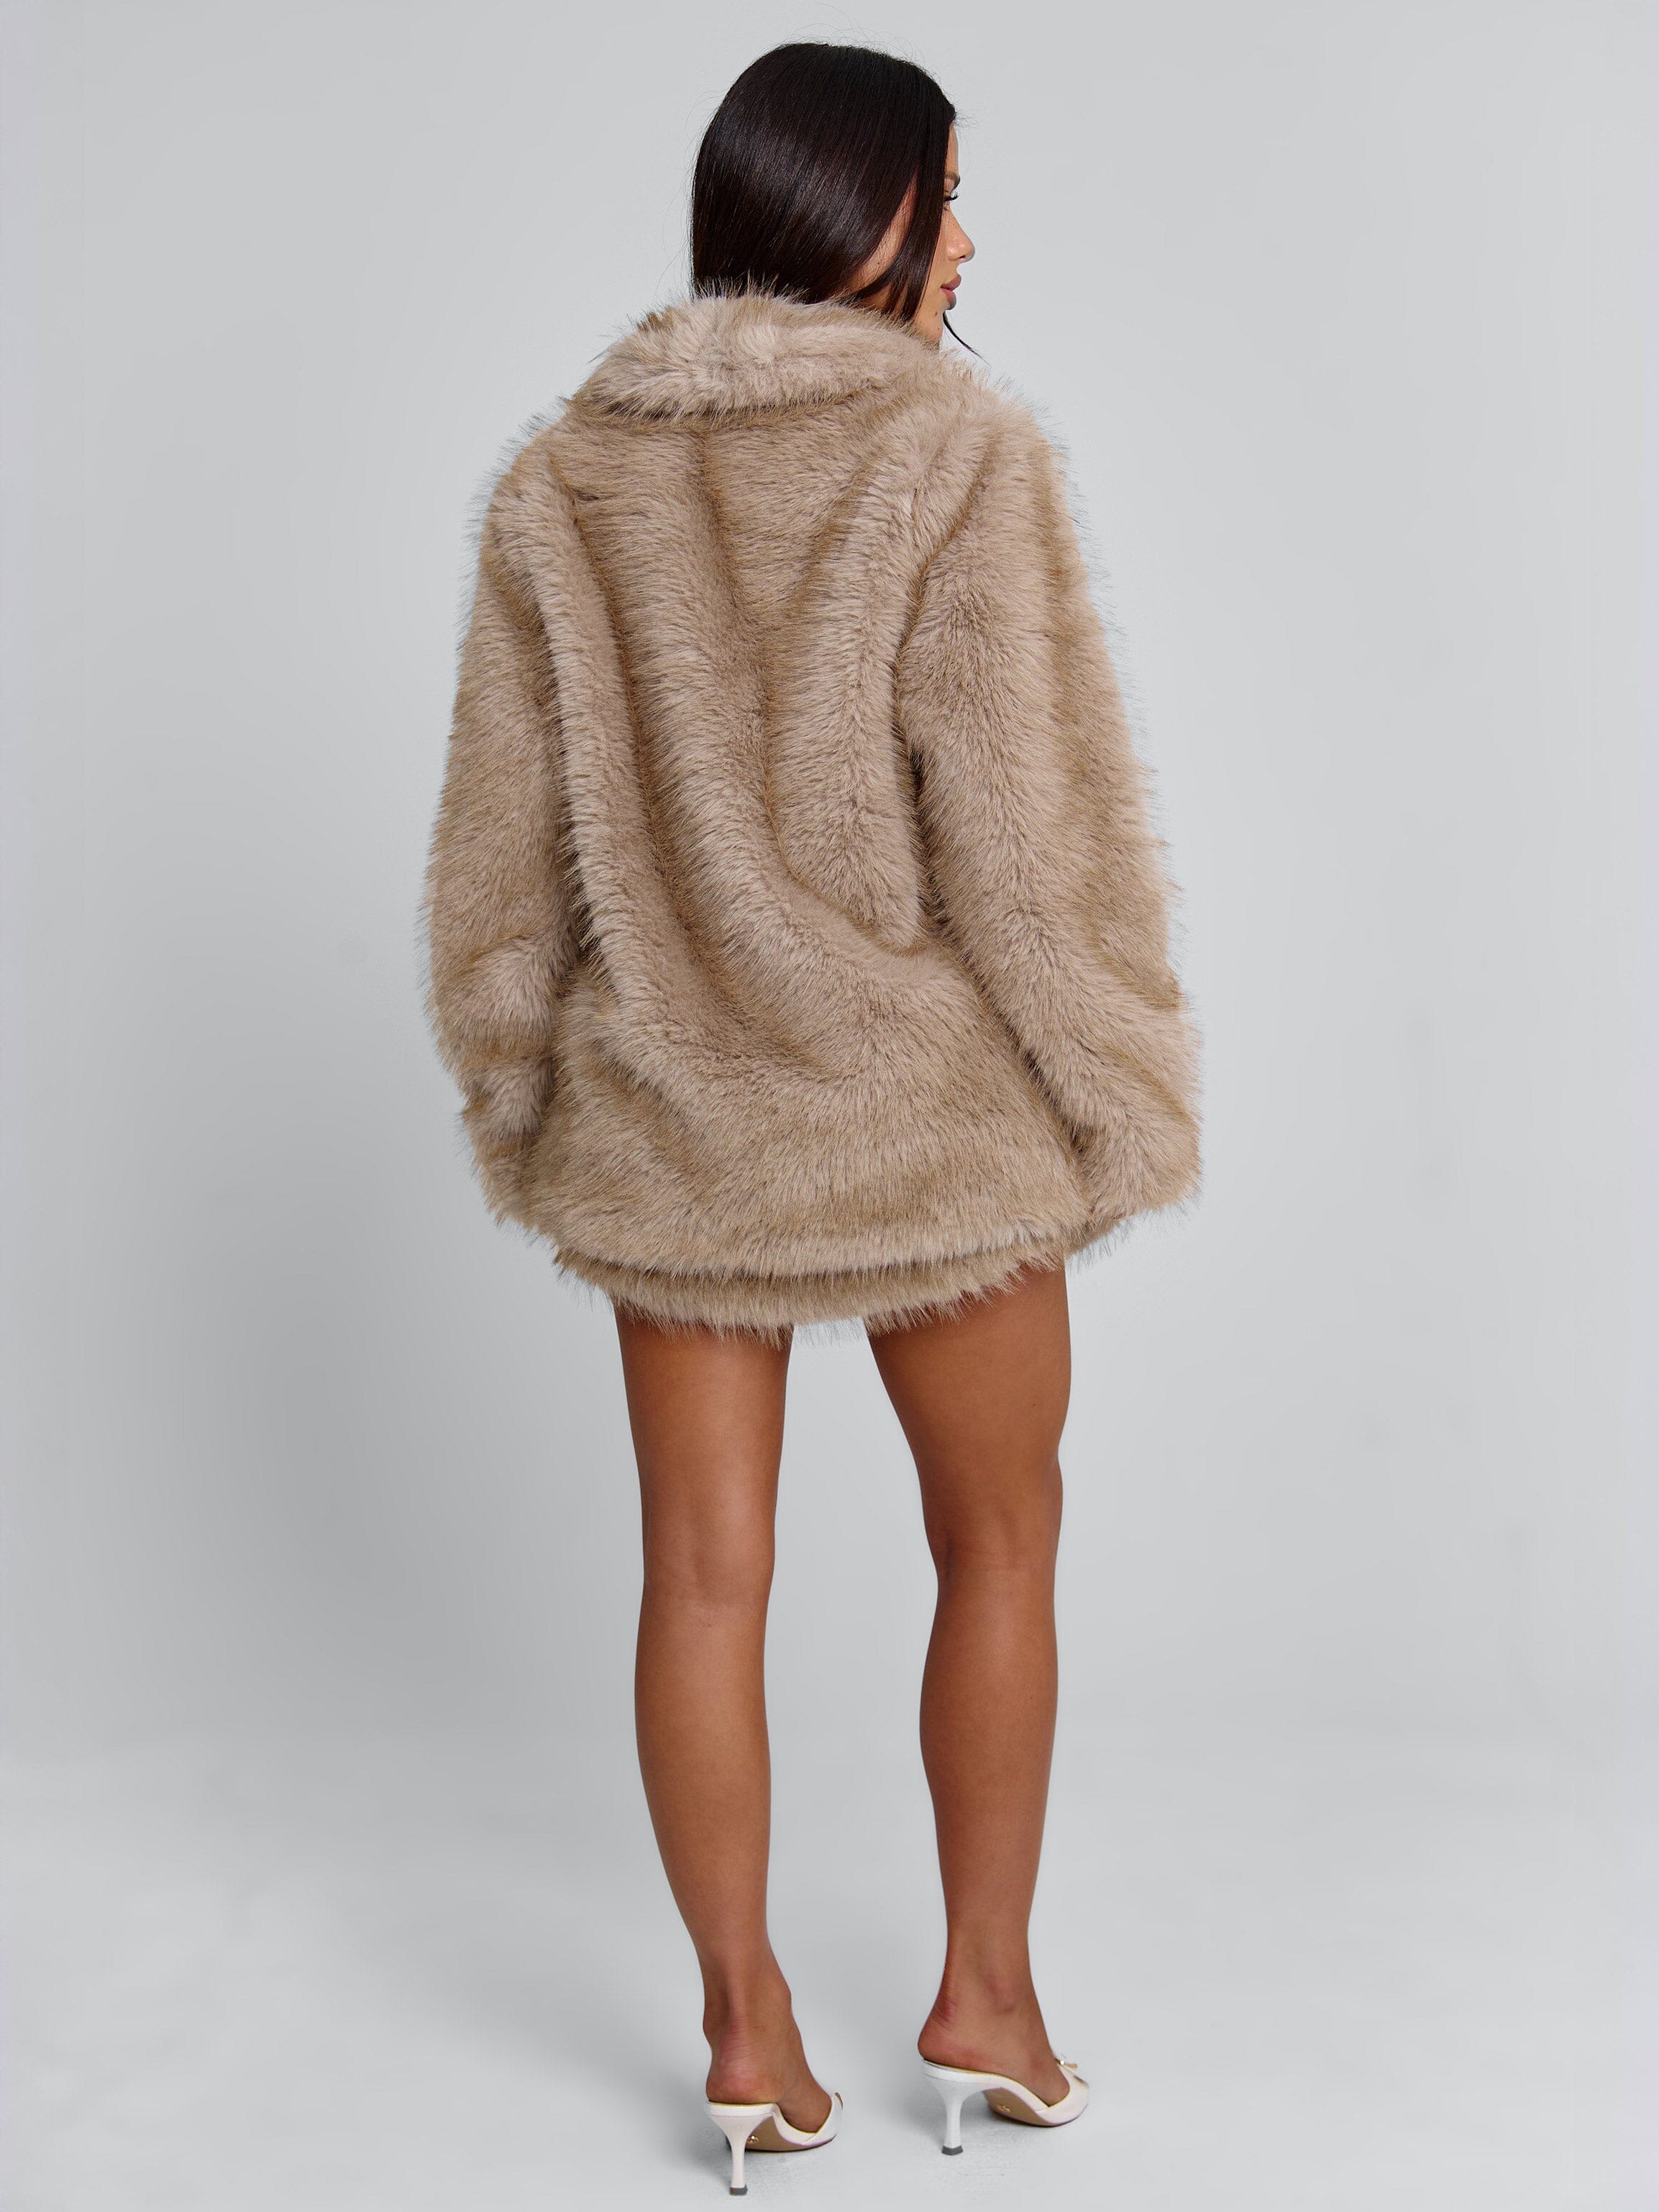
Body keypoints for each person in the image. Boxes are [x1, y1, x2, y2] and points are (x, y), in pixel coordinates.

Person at [423, 39, 1202, 2192]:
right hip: (927, 1126)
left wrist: (525, 1094)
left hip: (671, 1120)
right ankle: (989, 2001)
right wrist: (1115, 1086)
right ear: (858, 212)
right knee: (1004, 1539)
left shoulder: (563, 481)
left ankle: (745, 2032)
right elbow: (1031, 845)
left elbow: (498, 866)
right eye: (945, 194)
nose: (968, 242)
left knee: (699, 1578)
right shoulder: (956, 454)